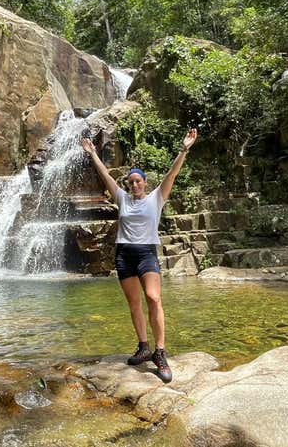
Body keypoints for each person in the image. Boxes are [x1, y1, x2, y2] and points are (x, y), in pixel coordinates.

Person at [80, 128, 198, 383]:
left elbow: (172, 174)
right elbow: (105, 175)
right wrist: (91, 153)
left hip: (146, 252)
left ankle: (160, 352)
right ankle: (143, 347)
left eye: (138, 181)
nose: (134, 184)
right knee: (134, 304)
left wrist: (184, 149)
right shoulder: (122, 199)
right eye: (131, 182)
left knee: (153, 298)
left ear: (145, 183)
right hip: (124, 254)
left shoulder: (156, 198)